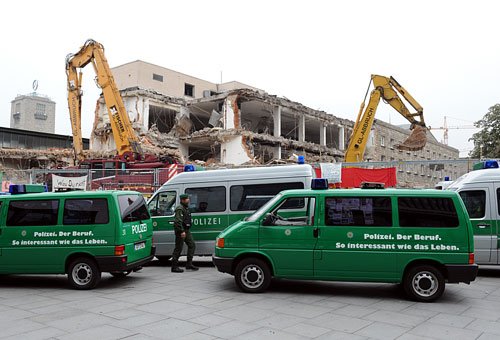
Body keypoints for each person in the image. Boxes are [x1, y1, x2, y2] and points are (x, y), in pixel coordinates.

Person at [171, 194, 198, 273]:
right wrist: (181, 231)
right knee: (179, 248)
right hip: (181, 231)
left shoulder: (186, 208)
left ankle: (189, 264)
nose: (188, 200)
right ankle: (174, 266)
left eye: (188, 198)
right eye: (186, 199)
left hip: (186, 230)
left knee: (192, 245)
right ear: (182, 200)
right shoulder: (180, 209)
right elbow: (178, 221)